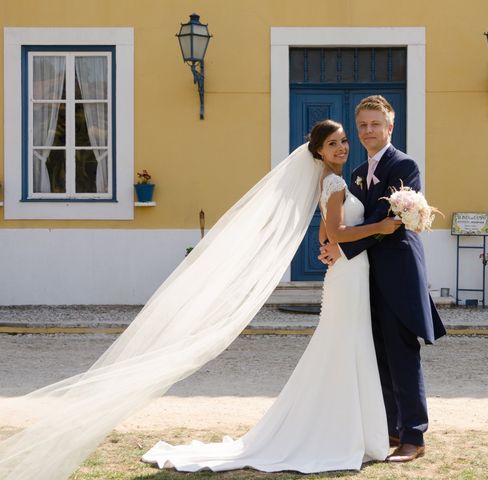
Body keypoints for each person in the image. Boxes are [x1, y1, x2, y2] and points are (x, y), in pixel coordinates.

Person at [141, 120, 403, 473]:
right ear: (319, 151)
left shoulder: (327, 181)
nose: (341, 148)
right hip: (350, 274)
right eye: (332, 144)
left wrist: (326, 245)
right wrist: (380, 227)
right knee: (346, 343)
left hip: (347, 272)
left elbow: (327, 228)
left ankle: (346, 428)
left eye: (343, 141)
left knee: (343, 343)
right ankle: (345, 431)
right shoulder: (336, 181)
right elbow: (340, 230)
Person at [319, 95, 447, 462]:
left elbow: (383, 220)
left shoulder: (403, 165)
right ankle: (391, 427)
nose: (368, 130)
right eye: (362, 125)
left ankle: (414, 436)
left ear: (390, 128)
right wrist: (329, 242)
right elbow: (348, 219)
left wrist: (342, 246)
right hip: (367, 276)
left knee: (403, 354)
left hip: (399, 273)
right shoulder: (358, 170)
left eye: (375, 124)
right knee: (380, 356)